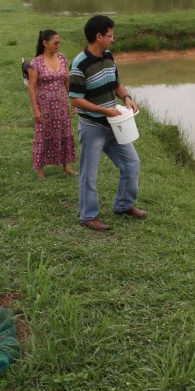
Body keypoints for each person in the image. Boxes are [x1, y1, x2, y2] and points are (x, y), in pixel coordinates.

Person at [69, 15, 147, 231]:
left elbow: (116, 83)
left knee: (131, 163)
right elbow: (75, 99)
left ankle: (123, 205)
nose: (113, 39)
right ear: (99, 36)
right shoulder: (79, 64)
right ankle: (88, 216)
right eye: (110, 35)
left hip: (114, 124)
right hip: (93, 126)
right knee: (89, 174)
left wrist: (127, 98)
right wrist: (104, 110)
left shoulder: (109, 56)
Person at [27, 29, 77, 179]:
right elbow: (32, 87)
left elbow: (67, 81)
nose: (58, 45)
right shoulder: (35, 63)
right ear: (45, 43)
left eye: (59, 43)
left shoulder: (62, 59)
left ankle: (66, 166)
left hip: (62, 106)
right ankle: (40, 170)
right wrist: (35, 109)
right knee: (43, 135)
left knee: (64, 133)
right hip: (44, 107)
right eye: (55, 43)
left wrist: (73, 101)